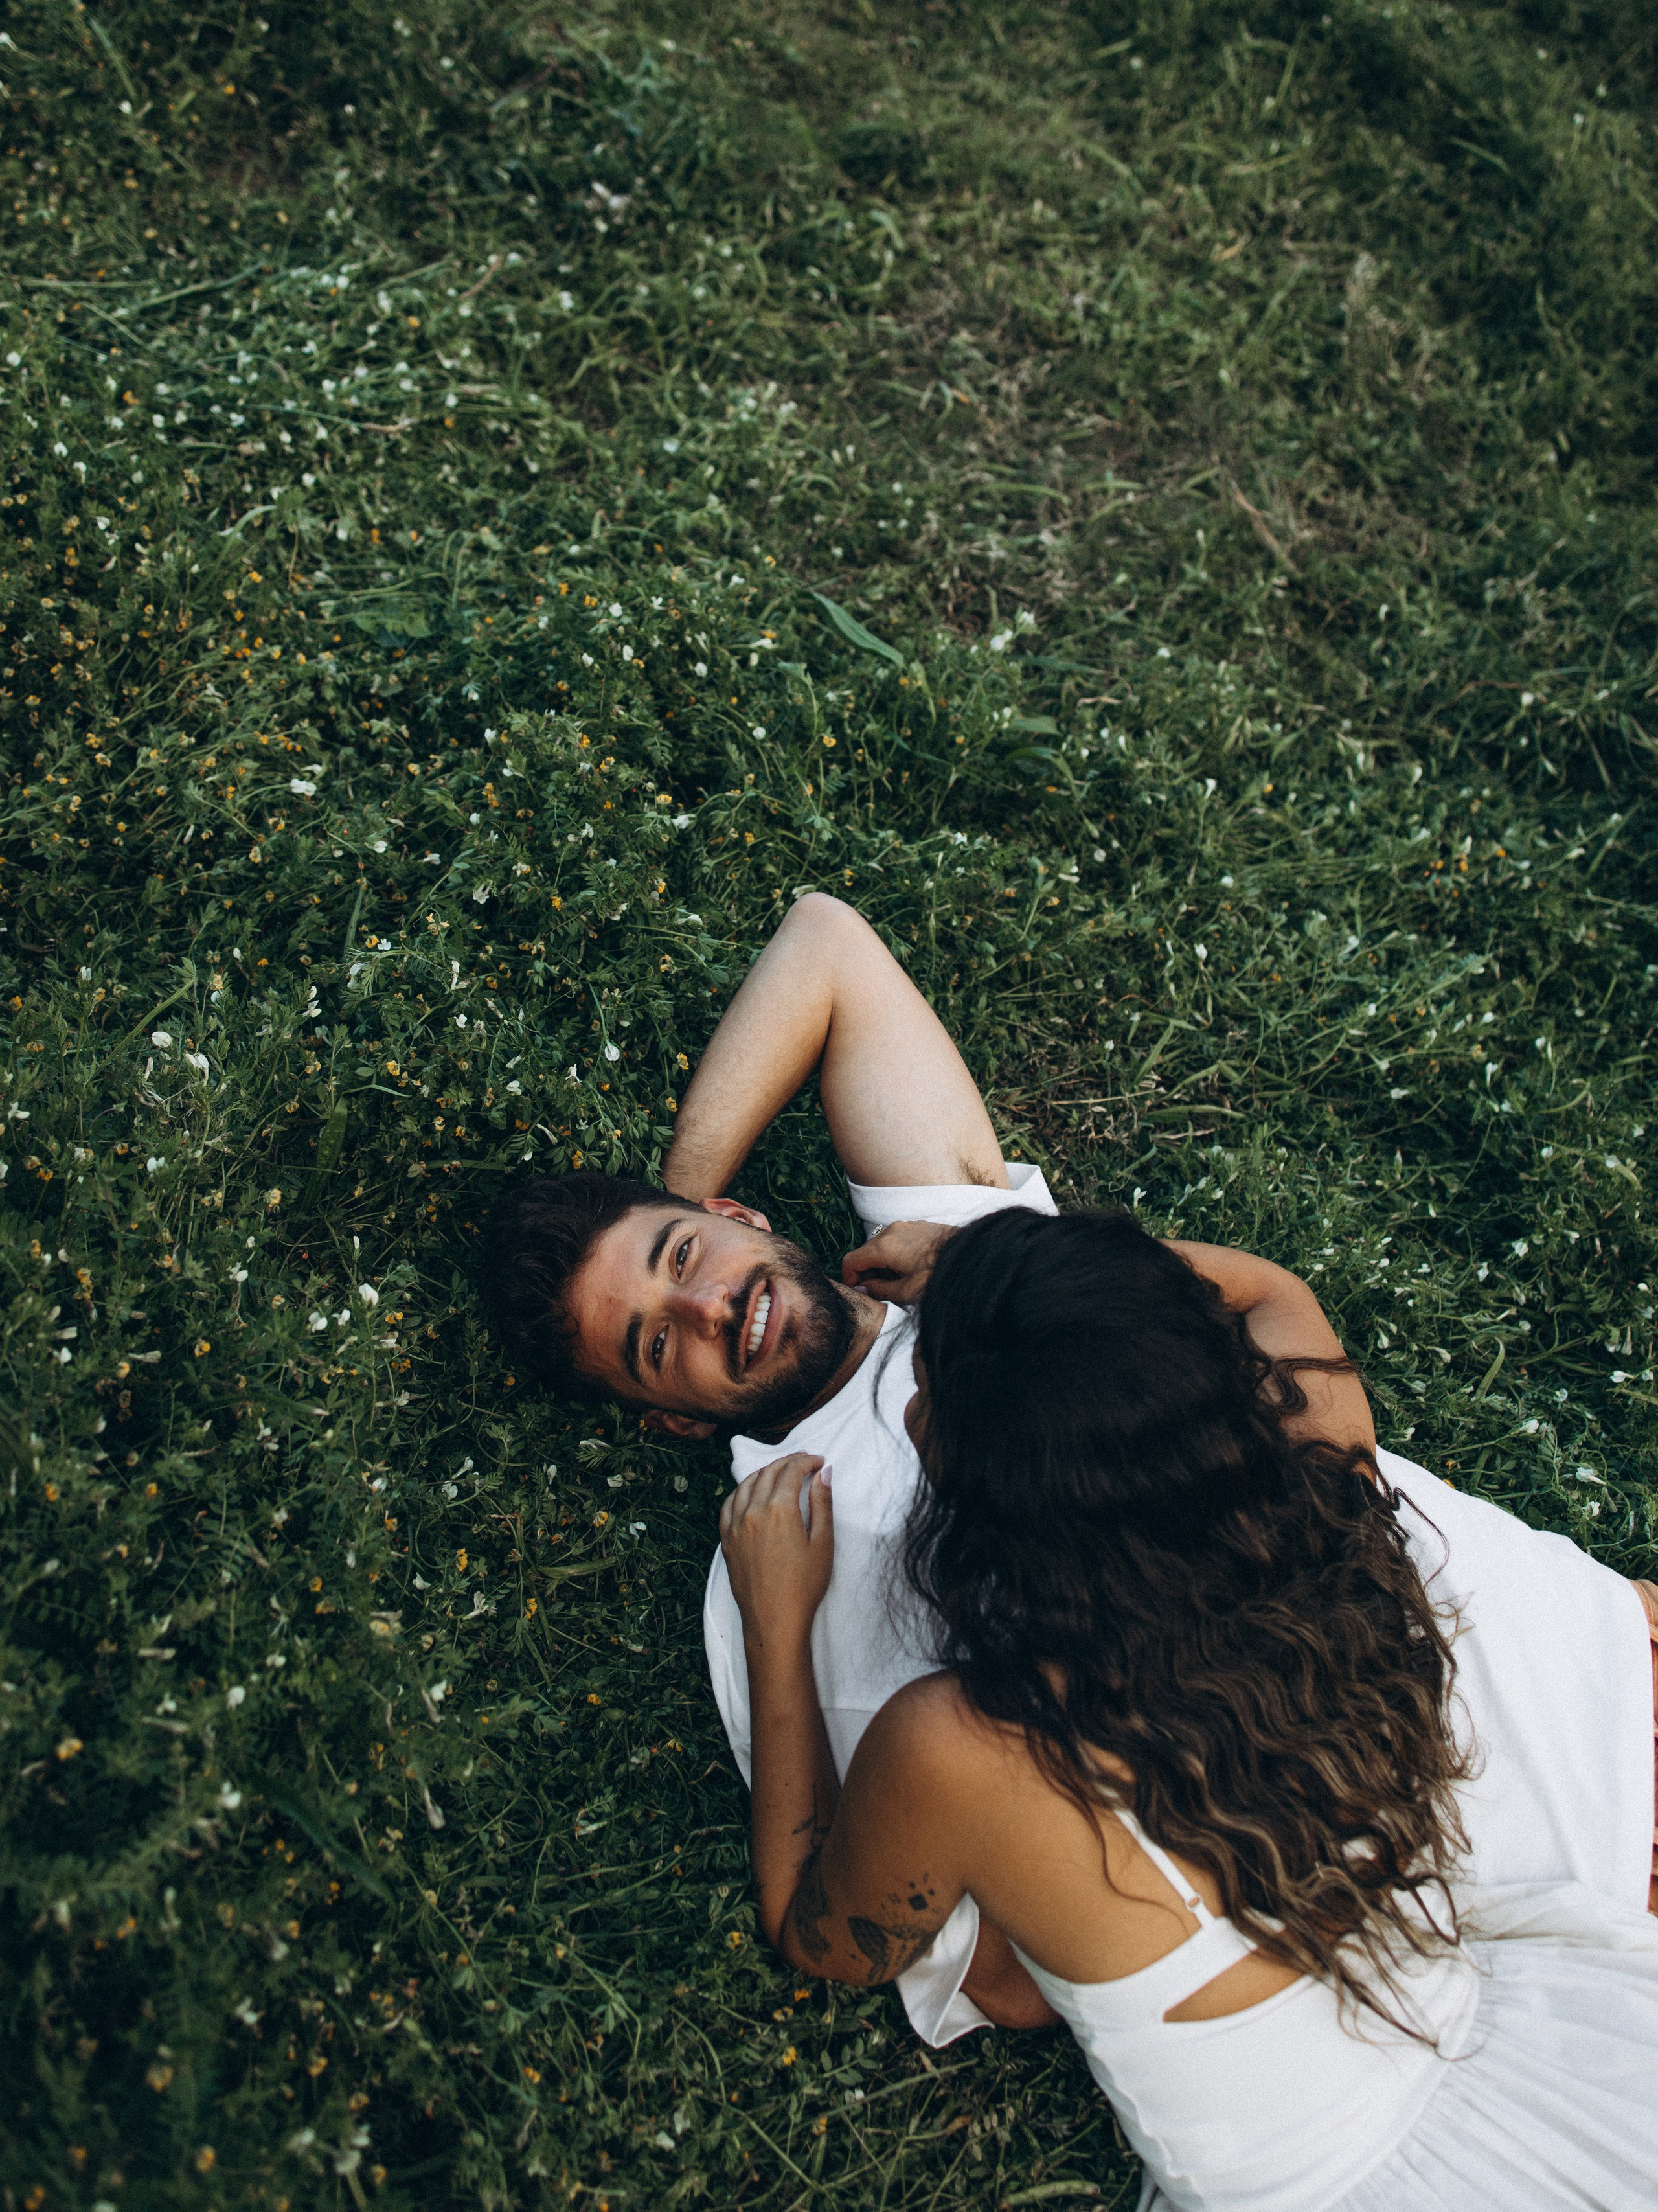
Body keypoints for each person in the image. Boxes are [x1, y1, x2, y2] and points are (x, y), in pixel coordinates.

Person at [720, 1207, 1658, 2212]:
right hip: (1561, 2061)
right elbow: (1268, 1290)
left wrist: (776, 1621)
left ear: (1001, 1504)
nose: (911, 1412)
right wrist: (1000, 1276)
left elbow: (823, 1939)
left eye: (932, 1403)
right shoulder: (1323, 1492)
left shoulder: (967, 1745)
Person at [480, 892, 1066, 2036]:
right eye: (658, 1345)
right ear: (674, 1423)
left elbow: (827, 943)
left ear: (739, 1212)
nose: (708, 1308)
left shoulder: (950, 1255)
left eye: (684, 1254)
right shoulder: (773, 1549)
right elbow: (976, 1958)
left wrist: (682, 1191)